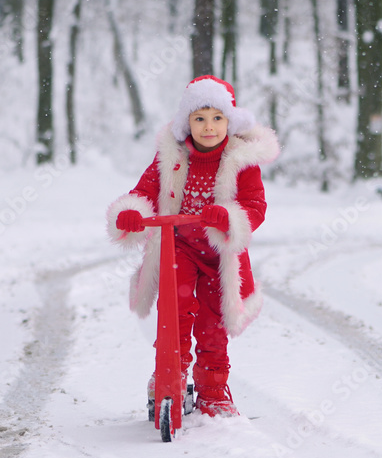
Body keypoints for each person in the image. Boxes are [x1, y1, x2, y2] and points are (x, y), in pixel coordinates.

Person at [106, 75, 280, 417]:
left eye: (217, 118)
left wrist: (229, 217)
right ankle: (169, 374)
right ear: (187, 122)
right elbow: (146, 190)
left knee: (212, 325)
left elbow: (254, 205)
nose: (209, 127)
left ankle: (213, 390)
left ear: (230, 121)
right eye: (199, 119)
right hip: (179, 249)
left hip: (220, 255)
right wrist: (132, 211)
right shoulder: (171, 155)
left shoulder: (240, 159)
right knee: (175, 313)